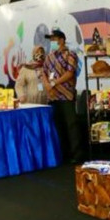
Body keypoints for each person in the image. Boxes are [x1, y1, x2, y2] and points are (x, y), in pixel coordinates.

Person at [40, 28, 85, 163]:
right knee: (58, 126)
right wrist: (47, 85)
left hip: (66, 95)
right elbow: (44, 72)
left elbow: (70, 73)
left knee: (71, 125)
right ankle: (63, 154)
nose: (52, 42)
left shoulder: (70, 54)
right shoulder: (49, 56)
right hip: (53, 96)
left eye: (54, 39)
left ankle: (77, 155)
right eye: (51, 40)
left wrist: (54, 83)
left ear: (62, 40)